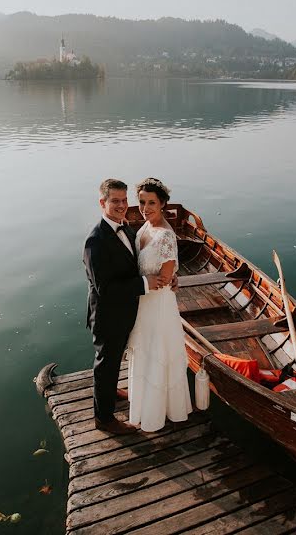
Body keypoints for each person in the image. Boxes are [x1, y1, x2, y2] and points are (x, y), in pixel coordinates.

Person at [83, 179, 167, 435]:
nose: (122, 206)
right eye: (115, 201)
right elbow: (105, 289)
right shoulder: (95, 241)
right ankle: (104, 419)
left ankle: (111, 392)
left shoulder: (127, 229)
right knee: (106, 363)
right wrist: (144, 283)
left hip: (126, 311)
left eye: (124, 200)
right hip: (107, 315)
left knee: (116, 357)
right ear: (102, 203)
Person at [126, 178, 193, 432]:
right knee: (144, 348)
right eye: (142, 202)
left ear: (163, 203)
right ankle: (144, 399)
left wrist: (168, 280)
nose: (145, 207)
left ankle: (158, 408)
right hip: (144, 301)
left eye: (151, 202)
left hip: (157, 303)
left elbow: (165, 278)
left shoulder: (166, 236)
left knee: (157, 350)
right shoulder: (145, 228)